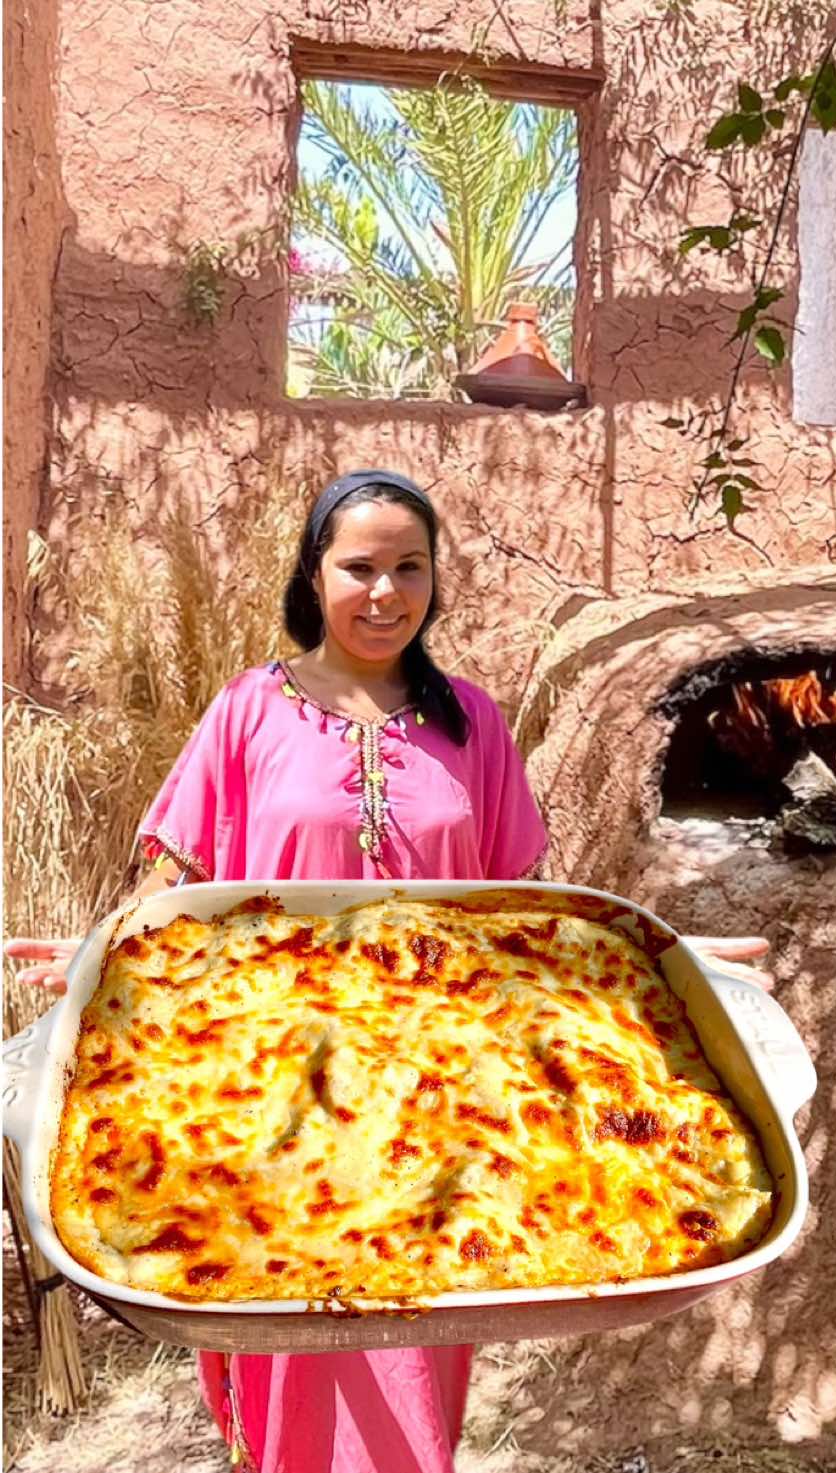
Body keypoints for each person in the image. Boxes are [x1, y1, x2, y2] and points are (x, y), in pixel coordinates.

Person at [6, 469, 771, 1473]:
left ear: (433, 580)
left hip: (438, 1110)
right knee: (275, 1322)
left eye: (409, 567)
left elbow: (524, 921)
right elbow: (168, 902)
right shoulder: (249, 712)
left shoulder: (474, 726)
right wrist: (96, 963)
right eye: (358, 566)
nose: (385, 592)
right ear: (314, 575)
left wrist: (664, 958)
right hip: (267, 1091)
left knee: (414, 1345)